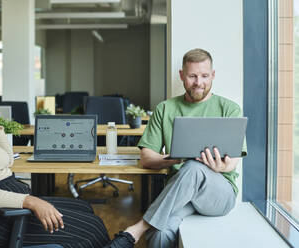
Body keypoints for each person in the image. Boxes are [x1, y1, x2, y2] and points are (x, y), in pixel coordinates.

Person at [0, 57, 110, 248]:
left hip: (10, 206)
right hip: (1, 220)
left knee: (84, 207)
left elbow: (7, 160)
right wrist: (32, 202)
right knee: (94, 228)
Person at [104, 48, 247, 248]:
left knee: (195, 168)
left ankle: (136, 229)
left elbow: (231, 163)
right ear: (182, 76)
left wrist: (218, 167)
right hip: (179, 195)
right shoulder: (165, 109)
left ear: (213, 75)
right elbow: (146, 158)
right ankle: (146, 228)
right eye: (192, 76)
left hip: (219, 195)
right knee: (160, 233)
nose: (199, 82)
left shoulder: (229, 109)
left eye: (205, 76)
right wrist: (176, 158)